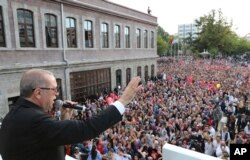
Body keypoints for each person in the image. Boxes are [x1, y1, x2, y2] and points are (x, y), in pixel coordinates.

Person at [0, 69, 142, 160]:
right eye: (54, 90)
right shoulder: (35, 121)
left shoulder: (14, 115)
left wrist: (64, 119)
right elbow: (86, 128)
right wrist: (123, 101)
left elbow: (43, 140)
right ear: (38, 92)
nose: (57, 94)